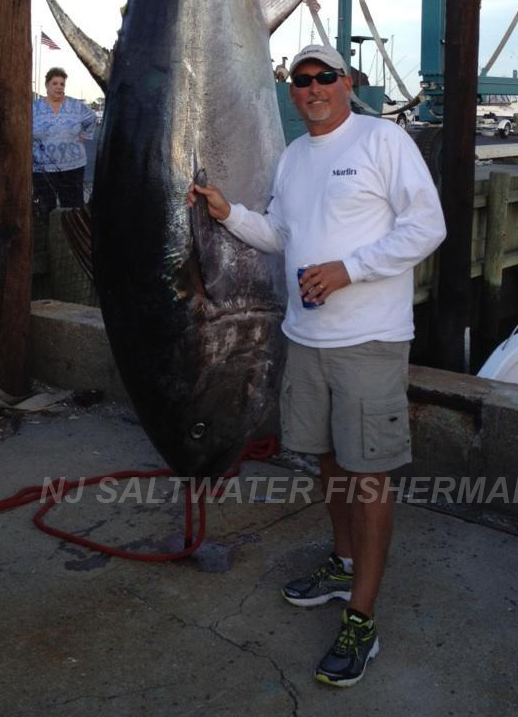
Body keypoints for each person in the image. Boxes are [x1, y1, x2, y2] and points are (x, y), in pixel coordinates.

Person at [189, 42, 446, 687]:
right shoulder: (294, 157)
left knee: (367, 474)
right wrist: (229, 214)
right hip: (306, 340)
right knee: (328, 462)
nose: (311, 89)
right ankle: (341, 559)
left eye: (323, 77)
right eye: (300, 81)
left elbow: (428, 225)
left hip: (369, 340)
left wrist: (350, 270)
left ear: (347, 81)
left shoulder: (383, 141)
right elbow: (281, 232)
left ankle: (362, 616)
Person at [32, 67, 96, 214]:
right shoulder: (34, 108)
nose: (59, 87)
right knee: (44, 208)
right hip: (42, 169)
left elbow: (92, 118)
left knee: (73, 208)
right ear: (47, 86)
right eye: (55, 83)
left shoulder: (76, 106)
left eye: (62, 84)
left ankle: (73, 235)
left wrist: (84, 135)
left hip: (73, 167)